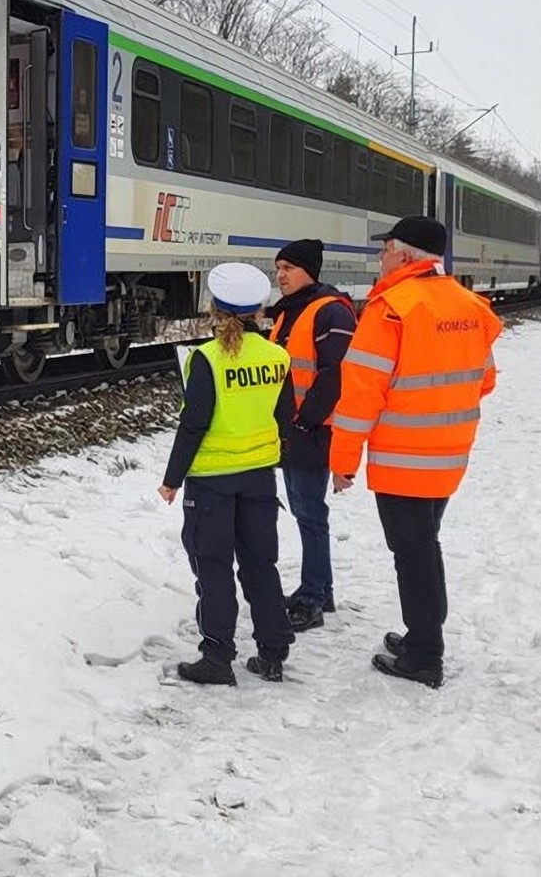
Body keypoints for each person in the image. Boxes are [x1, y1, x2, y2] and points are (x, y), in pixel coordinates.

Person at [328, 215, 503, 689]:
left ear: (404, 256)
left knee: (413, 551)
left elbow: (361, 396)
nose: (380, 259)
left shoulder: (391, 309)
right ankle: (421, 634)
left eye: (384, 250)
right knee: (424, 543)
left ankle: (425, 654)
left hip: (403, 459)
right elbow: (484, 379)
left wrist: (343, 462)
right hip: (450, 453)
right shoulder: (470, 305)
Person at [159, 262, 297, 686]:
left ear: (215, 310)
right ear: (259, 310)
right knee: (261, 564)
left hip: (213, 480)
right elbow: (283, 416)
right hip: (258, 476)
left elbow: (194, 423)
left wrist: (172, 478)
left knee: (214, 566)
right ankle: (273, 652)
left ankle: (217, 657)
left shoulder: (208, 359)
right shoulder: (277, 356)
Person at [267, 238, 357, 631]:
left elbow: (335, 374)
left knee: (309, 513)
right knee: (307, 512)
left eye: (288, 268)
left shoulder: (331, 312)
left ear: (309, 271)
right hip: (293, 428)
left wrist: (305, 421)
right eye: (278, 268)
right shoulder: (291, 312)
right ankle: (322, 588)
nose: (280, 275)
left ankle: (312, 598)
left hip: (312, 429)